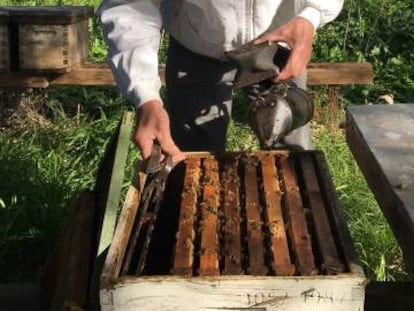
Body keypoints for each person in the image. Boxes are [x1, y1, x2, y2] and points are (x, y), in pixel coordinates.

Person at [97, 1, 344, 162]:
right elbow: (130, 5)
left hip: (278, 41)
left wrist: (311, 16)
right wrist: (146, 97)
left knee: (291, 156)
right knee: (194, 156)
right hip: (196, 45)